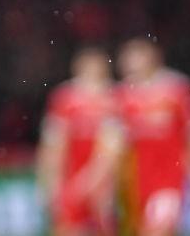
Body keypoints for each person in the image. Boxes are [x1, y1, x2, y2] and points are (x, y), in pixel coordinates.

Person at [114, 38, 190, 236]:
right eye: (127, 59)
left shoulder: (176, 88)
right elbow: (114, 142)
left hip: (171, 178)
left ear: (153, 57)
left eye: (137, 57)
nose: (131, 64)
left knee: (158, 231)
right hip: (135, 181)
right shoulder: (122, 94)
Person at [36, 47, 121, 236]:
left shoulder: (114, 99)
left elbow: (113, 147)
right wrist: (48, 182)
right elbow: (53, 143)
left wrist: (94, 179)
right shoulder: (65, 98)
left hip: (103, 181)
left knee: (102, 226)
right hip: (70, 177)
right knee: (68, 226)